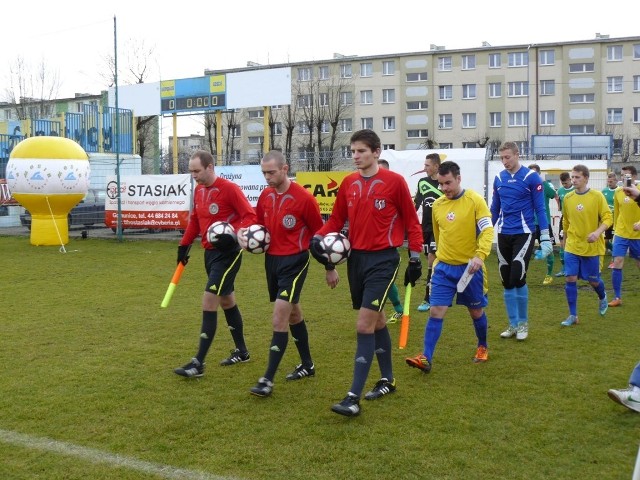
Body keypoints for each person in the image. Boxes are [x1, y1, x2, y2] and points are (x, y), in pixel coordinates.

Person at [310, 129, 423, 417]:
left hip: (384, 260)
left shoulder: (394, 182)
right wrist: (318, 237)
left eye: (361, 151)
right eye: (353, 151)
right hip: (356, 260)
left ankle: (352, 397)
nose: (356, 156)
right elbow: (336, 220)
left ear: (376, 151)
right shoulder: (348, 183)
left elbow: (412, 222)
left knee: (363, 325)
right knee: (378, 320)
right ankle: (388, 379)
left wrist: (414, 258)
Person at [239, 150, 339, 397]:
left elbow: (320, 235)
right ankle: (308, 365)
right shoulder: (265, 195)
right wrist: (246, 236)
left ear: (285, 168)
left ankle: (267, 380)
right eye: (264, 173)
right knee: (293, 314)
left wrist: (329, 267)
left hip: (295, 261)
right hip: (271, 262)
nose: (267, 177)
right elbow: (259, 226)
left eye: (271, 172)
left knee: (279, 317)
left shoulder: (304, 198)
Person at [173, 150, 258, 378]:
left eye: (197, 171)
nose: (194, 176)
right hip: (209, 255)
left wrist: (235, 234)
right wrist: (184, 245)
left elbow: (250, 216)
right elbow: (196, 221)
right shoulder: (199, 191)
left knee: (209, 298)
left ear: (210, 167)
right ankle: (242, 351)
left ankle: (198, 362)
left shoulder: (229, 189)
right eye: (191, 171)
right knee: (227, 300)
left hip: (228, 254)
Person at [405, 161, 494, 373]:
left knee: (476, 312)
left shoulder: (475, 200)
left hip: (470, 269)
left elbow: (488, 230)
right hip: (444, 268)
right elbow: (438, 235)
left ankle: (482, 346)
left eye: (448, 183)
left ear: (459, 179)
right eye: (441, 184)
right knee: (436, 311)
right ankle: (425, 357)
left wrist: (480, 256)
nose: (445, 188)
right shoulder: (438, 205)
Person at [490, 142, 551, 341]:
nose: (505, 161)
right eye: (502, 158)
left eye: (508, 157)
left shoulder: (531, 178)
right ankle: (513, 324)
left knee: (518, 275)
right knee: (506, 281)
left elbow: (540, 209)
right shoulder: (499, 178)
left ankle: (523, 323)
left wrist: (544, 236)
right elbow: (494, 209)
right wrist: (484, 231)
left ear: (517, 155)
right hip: (503, 234)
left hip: (524, 233)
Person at [559, 164, 612, 326]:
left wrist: (597, 232)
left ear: (586, 178)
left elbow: (608, 218)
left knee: (593, 280)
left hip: (591, 247)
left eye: (577, 177)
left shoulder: (596, 196)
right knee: (570, 277)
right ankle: (573, 315)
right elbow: (566, 221)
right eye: (572, 177)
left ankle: (602, 296)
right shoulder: (568, 198)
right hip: (572, 246)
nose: (573, 180)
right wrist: (565, 240)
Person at [413, 153, 443, 312]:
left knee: (432, 259)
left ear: (436, 166)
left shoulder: (444, 182)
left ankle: (428, 298)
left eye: (427, 165)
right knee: (433, 261)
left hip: (439, 228)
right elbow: (417, 203)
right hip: (425, 227)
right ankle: (444, 287)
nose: (424, 168)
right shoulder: (423, 182)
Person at [608, 166, 640, 308]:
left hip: (638, 235)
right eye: (622, 176)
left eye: (626, 176)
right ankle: (617, 297)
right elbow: (617, 213)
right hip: (621, 233)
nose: (623, 178)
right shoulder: (618, 192)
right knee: (618, 262)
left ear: (634, 177)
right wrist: (615, 229)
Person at [377, 158, 404, 323]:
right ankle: (398, 310)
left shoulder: (394, 190)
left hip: (388, 248)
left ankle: (397, 310)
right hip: (368, 249)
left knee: (384, 281)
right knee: (385, 281)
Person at [528, 163, 558, 285]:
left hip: (543, 224)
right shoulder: (526, 186)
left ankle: (549, 275)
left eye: (535, 173)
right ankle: (520, 275)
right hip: (529, 223)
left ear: (539, 174)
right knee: (524, 250)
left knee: (548, 249)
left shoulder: (544, 185)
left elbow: (554, 194)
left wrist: (543, 182)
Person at [554, 172, 575, 277]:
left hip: (575, 219)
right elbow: (559, 202)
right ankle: (564, 268)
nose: (564, 185)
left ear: (570, 180)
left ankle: (576, 267)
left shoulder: (575, 190)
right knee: (562, 243)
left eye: (566, 183)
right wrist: (559, 206)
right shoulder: (561, 191)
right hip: (564, 219)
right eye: (563, 184)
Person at [602, 172, 618, 268]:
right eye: (608, 181)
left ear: (616, 181)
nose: (609, 183)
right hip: (606, 220)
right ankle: (616, 252)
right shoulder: (604, 191)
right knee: (606, 242)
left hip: (616, 220)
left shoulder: (620, 191)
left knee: (615, 240)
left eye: (611, 181)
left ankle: (613, 261)